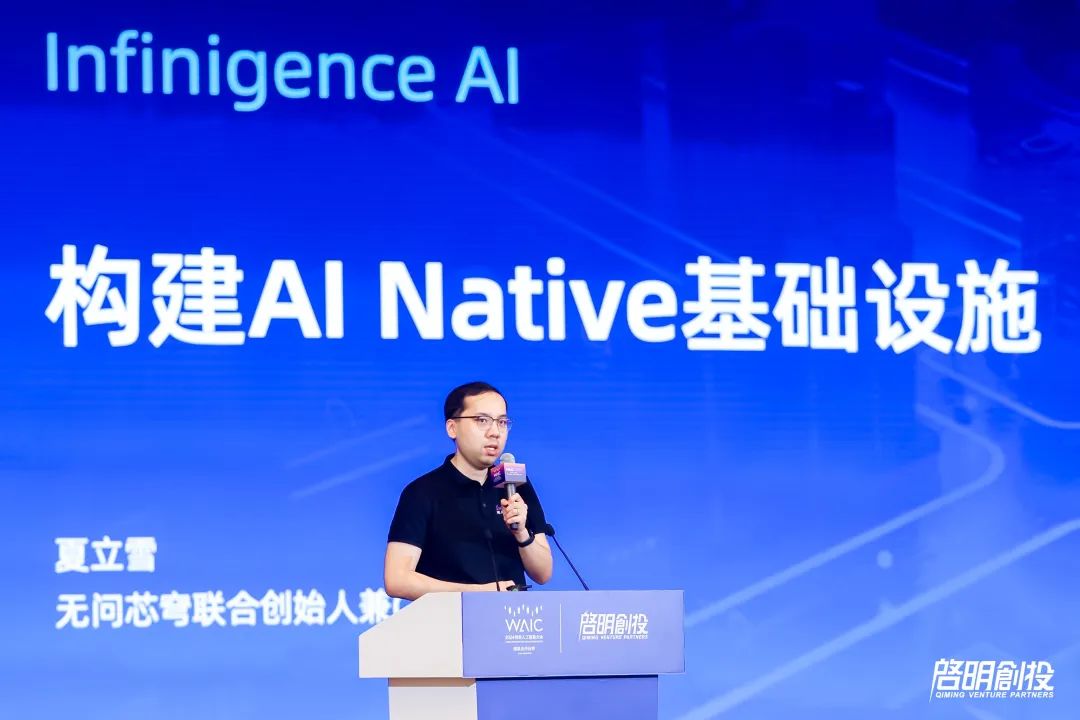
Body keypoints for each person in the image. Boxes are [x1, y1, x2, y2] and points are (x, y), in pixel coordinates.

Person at [384, 381, 553, 601]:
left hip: (513, 619)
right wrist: (479, 593)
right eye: (482, 421)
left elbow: (543, 573)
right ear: (452, 428)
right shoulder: (422, 492)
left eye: (502, 422)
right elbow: (397, 580)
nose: (495, 432)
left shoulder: (516, 484)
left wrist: (521, 533)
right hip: (448, 620)